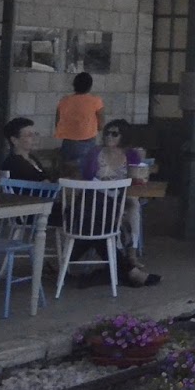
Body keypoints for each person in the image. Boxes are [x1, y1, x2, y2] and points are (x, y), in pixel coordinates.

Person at [72, 118, 160, 288]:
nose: (109, 137)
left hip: (121, 195)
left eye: (115, 134)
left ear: (123, 137)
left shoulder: (130, 154)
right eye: (107, 133)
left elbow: (138, 177)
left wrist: (140, 164)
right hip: (97, 197)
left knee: (133, 205)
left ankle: (131, 252)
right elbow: (88, 177)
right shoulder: (95, 152)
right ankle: (127, 267)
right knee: (111, 216)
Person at [54, 72, 103, 171]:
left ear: (74, 85)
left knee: (67, 171)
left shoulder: (64, 101)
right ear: (90, 86)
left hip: (68, 142)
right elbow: (101, 124)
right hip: (88, 141)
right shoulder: (96, 101)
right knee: (86, 171)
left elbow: (58, 123)